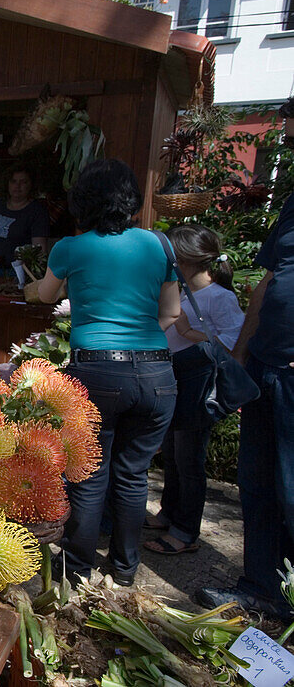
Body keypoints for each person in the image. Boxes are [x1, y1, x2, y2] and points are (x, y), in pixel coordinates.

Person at [38, 158, 180, 587]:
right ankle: (124, 569)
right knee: (134, 474)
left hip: (98, 371)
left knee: (88, 472)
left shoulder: (71, 247)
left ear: (83, 201)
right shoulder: (160, 245)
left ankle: (78, 568)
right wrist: (138, 344)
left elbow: (45, 295)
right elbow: (171, 313)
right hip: (157, 375)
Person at [196, 192, 294, 618]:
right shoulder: (292, 203)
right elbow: (270, 281)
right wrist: (241, 356)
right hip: (266, 363)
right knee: (257, 484)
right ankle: (261, 588)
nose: (286, 126)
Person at [144, 225, 243, 557]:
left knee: (189, 459)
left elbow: (233, 344)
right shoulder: (183, 292)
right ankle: (170, 513)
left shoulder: (221, 297)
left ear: (184, 260)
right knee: (172, 452)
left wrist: (189, 332)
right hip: (177, 379)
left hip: (198, 384)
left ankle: (186, 531)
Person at [0, 165, 50, 268]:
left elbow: (39, 250)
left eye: (23, 182)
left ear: (31, 185)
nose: (17, 186)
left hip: (15, 272)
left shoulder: (37, 211)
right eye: (13, 181)